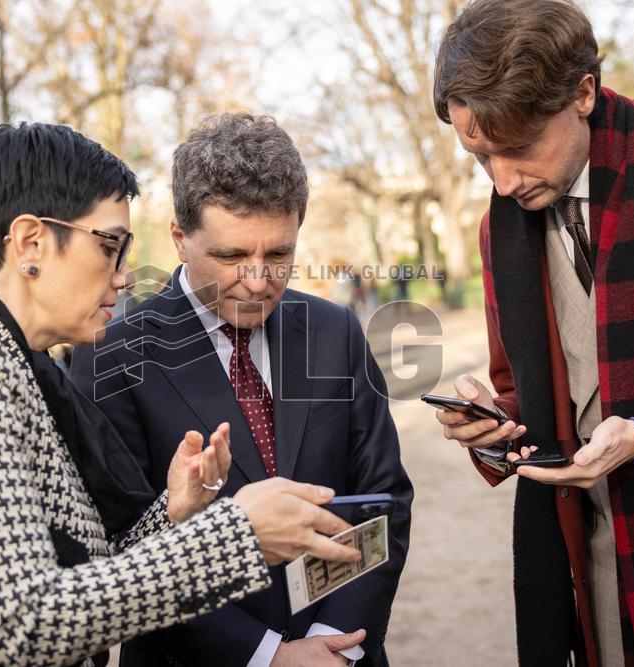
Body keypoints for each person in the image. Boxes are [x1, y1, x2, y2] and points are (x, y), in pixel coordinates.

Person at [0, 122, 362, 666]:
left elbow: (84, 572)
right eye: (110, 247)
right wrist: (235, 535)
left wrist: (175, 512)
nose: (123, 278)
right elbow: (21, 622)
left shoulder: (18, 360)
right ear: (30, 243)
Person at [431, 1, 634, 665]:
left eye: (518, 147)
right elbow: (527, 402)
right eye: (480, 155)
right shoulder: (497, 230)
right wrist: (490, 427)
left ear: (582, 92)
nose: (501, 180)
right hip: (595, 580)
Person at [70, 113, 413, 667]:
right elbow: (126, 546)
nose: (258, 281)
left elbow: (385, 500)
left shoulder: (334, 331)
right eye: (231, 257)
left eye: (278, 255)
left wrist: (335, 640)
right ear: (180, 238)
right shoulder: (110, 351)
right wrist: (268, 657)